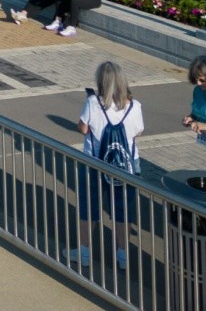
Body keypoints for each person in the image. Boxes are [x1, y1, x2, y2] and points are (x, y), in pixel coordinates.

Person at [68, 61, 144, 269]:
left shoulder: (93, 103)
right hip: (126, 163)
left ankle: (84, 251)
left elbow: (84, 129)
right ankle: (123, 254)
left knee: (89, 205)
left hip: (95, 161)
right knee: (122, 208)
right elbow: (138, 131)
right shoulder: (135, 106)